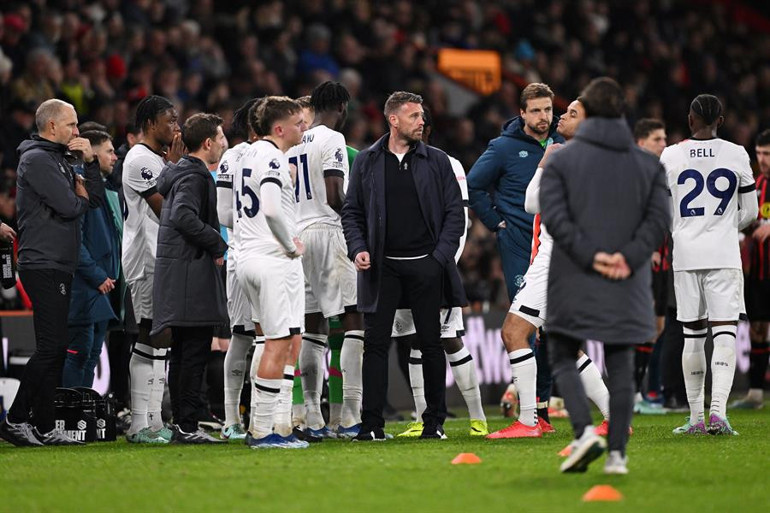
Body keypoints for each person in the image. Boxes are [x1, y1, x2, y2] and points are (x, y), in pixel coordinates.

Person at [540, 77, 670, 474]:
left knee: (562, 351)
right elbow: (659, 221)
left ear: (590, 113)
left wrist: (592, 255)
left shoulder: (561, 160)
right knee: (621, 359)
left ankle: (583, 433)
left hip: (573, 272)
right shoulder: (648, 164)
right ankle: (617, 456)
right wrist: (626, 258)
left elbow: (555, 219)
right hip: (627, 276)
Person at [341, 91, 466, 441]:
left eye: (422, 116)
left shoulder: (438, 161)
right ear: (393, 120)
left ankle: (434, 423)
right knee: (376, 345)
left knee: (430, 344)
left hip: (427, 266)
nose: (421, 121)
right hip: (383, 269)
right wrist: (358, 248)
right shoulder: (367, 160)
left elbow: (455, 216)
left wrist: (438, 259)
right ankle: (372, 425)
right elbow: (351, 212)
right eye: (414, 116)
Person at [488, 98, 612, 441]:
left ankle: (528, 421)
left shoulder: (563, 156)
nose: (562, 116)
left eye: (572, 114)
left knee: (513, 333)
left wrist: (543, 162)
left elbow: (532, 203)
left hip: (556, 261)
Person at [0, 98, 104, 446]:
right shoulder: (37, 159)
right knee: (51, 347)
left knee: (54, 348)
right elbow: (71, 206)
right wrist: (81, 195)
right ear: (52, 127)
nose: (78, 131)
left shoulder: (60, 159)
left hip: (58, 262)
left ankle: (44, 426)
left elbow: (93, 201)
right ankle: (15, 419)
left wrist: (89, 165)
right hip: (43, 263)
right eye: (72, 125)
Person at [468, 83, 565, 426]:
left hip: (555, 248)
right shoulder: (503, 148)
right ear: (522, 113)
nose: (543, 117)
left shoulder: (563, 145)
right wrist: (497, 223)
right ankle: (531, 408)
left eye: (548, 110)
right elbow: (474, 184)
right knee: (527, 328)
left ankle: (541, 408)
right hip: (521, 245)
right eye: (536, 110)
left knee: (554, 327)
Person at [661, 94, 758, 436]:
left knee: (692, 336)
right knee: (724, 333)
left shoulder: (670, 155)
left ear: (689, 120)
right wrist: (725, 225)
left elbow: (663, 209)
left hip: (686, 255)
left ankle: (696, 418)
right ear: (721, 120)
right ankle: (718, 412)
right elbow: (751, 213)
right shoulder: (736, 153)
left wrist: (684, 228)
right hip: (723, 253)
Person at [392, 106, 487, 438]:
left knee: (449, 338)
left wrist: (444, 262)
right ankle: (421, 418)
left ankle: (478, 417)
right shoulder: (394, 162)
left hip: (437, 266)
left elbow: (459, 222)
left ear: (426, 129)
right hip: (404, 267)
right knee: (414, 340)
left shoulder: (448, 164)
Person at [287, 81, 365, 439]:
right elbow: (335, 195)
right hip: (330, 231)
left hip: (300, 234)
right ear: (341, 107)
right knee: (353, 319)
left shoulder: (294, 143)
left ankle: (310, 416)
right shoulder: (332, 139)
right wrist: (359, 219)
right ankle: (348, 416)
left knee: (312, 325)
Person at [151, 113, 229, 443]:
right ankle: (187, 425)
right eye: (222, 137)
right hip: (190, 274)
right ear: (208, 143)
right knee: (193, 352)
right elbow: (184, 215)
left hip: (180, 271)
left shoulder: (181, 172)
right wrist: (218, 242)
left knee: (184, 353)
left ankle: (183, 423)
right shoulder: (196, 176)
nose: (225, 143)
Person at [237, 96, 308, 449]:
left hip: (247, 257)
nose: (303, 127)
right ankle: (262, 431)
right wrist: (290, 245)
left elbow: (226, 208)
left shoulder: (245, 154)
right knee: (278, 343)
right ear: (279, 129)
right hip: (272, 259)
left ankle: (279, 427)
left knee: (281, 340)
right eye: (298, 123)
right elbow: (269, 208)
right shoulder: (273, 158)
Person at [122, 94, 184, 444]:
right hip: (145, 259)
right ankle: (138, 424)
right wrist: (175, 168)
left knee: (160, 339)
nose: (176, 127)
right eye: (170, 120)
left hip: (161, 257)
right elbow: (167, 210)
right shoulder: (139, 160)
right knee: (148, 335)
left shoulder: (157, 159)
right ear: (150, 124)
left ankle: (155, 420)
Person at [217, 98, 262, 440]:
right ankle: (245, 417)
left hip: (241, 255)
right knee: (257, 336)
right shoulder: (249, 156)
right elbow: (225, 215)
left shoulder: (231, 158)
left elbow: (225, 215)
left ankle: (241, 418)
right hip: (257, 254)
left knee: (248, 337)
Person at [62, 130, 121, 388]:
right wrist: (98, 276)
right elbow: (76, 240)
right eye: (109, 151)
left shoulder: (105, 188)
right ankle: (69, 415)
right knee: (80, 353)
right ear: (92, 153)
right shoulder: (80, 185)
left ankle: (83, 414)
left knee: (91, 354)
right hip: (85, 284)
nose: (115, 156)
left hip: (102, 284)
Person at [631, 118, 671, 414]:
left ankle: (642, 394)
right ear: (641, 142)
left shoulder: (658, 170)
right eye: (658, 139)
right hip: (641, 259)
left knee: (656, 326)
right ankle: (630, 394)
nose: (664, 144)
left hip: (662, 258)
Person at [732, 129, 770, 409]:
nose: (762, 159)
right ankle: (756, 393)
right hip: (758, 271)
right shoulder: (755, 184)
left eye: (767, 154)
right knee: (758, 327)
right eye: (759, 154)